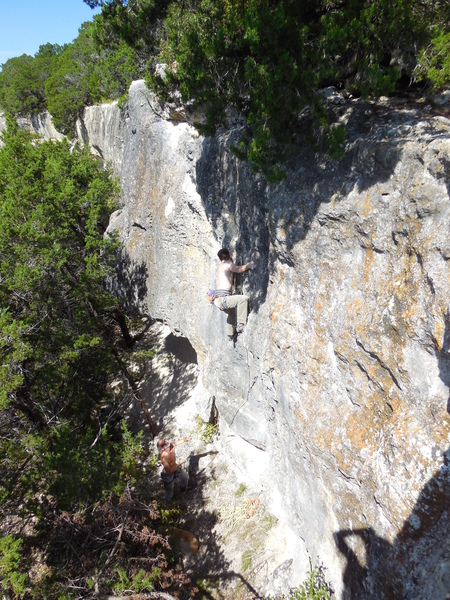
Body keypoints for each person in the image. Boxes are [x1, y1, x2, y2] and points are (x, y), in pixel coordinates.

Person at [212, 248, 255, 339]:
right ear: (228, 255)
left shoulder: (220, 266)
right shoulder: (227, 263)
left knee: (231, 313)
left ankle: (230, 333)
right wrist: (248, 265)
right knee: (243, 299)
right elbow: (237, 269)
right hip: (223, 298)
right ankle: (240, 325)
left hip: (219, 299)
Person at [157, 436, 191, 502]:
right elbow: (169, 472)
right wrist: (179, 464)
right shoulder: (164, 457)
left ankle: (183, 490)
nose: (166, 442)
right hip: (168, 475)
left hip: (176, 468)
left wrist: (185, 439)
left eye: (165, 440)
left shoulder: (171, 445)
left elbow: (176, 443)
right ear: (162, 448)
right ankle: (167, 503)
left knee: (184, 477)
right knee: (169, 492)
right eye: (164, 443)